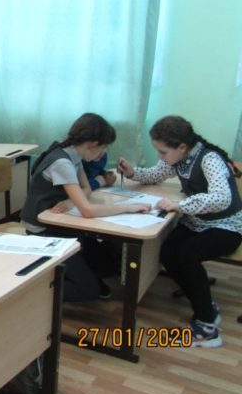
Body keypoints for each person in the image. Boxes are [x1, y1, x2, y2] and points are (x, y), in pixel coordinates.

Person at [117, 115, 242, 347]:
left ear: (182, 147)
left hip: (226, 225)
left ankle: (207, 327)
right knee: (167, 253)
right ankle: (205, 304)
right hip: (197, 222)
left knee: (187, 254)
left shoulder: (209, 159)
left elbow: (222, 198)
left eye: (162, 152)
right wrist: (133, 172)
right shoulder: (178, 157)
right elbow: (155, 174)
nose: (160, 156)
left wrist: (181, 205)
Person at [21, 113, 149, 301]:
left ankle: (72, 274)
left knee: (110, 264)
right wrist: (129, 207)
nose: (103, 154)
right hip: (42, 230)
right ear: (93, 145)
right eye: (103, 148)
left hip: (59, 222)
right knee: (88, 290)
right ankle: (30, 291)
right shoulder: (62, 162)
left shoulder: (75, 154)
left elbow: (86, 188)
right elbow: (88, 211)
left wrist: (71, 201)